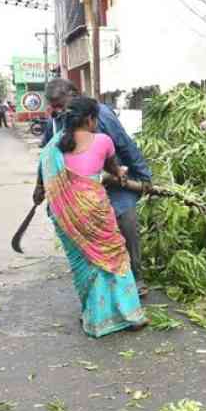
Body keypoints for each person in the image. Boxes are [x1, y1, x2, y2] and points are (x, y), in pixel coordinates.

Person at [37, 96, 147, 337]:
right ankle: (131, 316)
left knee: (86, 263)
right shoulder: (103, 140)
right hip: (94, 210)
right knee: (115, 256)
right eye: (95, 118)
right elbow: (113, 169)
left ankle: (98, 318)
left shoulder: (50, 148)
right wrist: (122, 174)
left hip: (66, 215)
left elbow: (40, 187)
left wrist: (40, 195)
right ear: (89, 119)